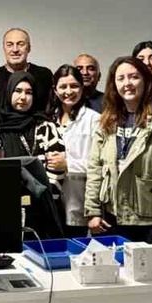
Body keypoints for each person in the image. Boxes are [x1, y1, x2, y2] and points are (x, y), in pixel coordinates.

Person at [84, 57, 152, 243]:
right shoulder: (107, 121)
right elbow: (95, 169)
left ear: (146, 81)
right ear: (114, 85)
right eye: (121, 78)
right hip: (112, 218)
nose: (127, 83)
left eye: (134, 77)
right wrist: (93, 211)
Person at [0, 71, 64, 239]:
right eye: (18, 91)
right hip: (5, 205)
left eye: (29, 92)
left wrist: (40, 195)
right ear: (9, 92)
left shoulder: (46, 126)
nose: (23, 97)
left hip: (42, 207)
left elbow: (57, 169)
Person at [43, 66, 99, 237]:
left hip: (78, 199)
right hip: (52, 200)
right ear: (55, 90)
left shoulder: (94, 120)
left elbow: (100, 165)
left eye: (74, 86)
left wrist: (68, 164)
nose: (68, 91)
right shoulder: (48, 118)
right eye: (63, 87)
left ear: (82, 88)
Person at [0, 28, 54, 112]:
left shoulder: (44, 75)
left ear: (29, 48)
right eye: (10, 45)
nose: (15, 49)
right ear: (4, 48)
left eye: (20, 44)